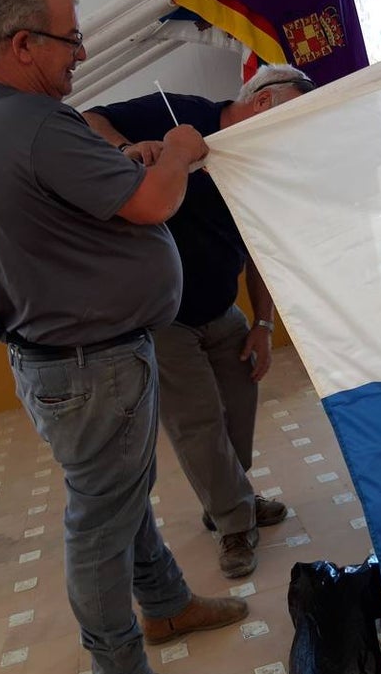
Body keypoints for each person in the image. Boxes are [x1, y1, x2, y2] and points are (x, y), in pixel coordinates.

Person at [0, 0, 245, 674]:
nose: (81, 53)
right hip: (89, 364)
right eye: (70, 39)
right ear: (21, 43)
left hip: (68, 359)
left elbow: (72, 195)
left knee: (119, 496)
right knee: (100, 521)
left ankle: (167, 605)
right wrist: (173, 150)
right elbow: (150, 206)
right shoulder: (35, 123)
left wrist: (117, 159)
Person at [84, 64, 314, 579]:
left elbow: (257, 249)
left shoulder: (255, 164)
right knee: (198, 424)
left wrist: (264, 325)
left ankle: (231, 498)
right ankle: (235, 525)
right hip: (161, 316)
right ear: (264, 104)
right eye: (289, 119)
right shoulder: (180, 112)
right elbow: (88, 117)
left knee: (238, 408)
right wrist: (131, 149)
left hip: (222, 311)